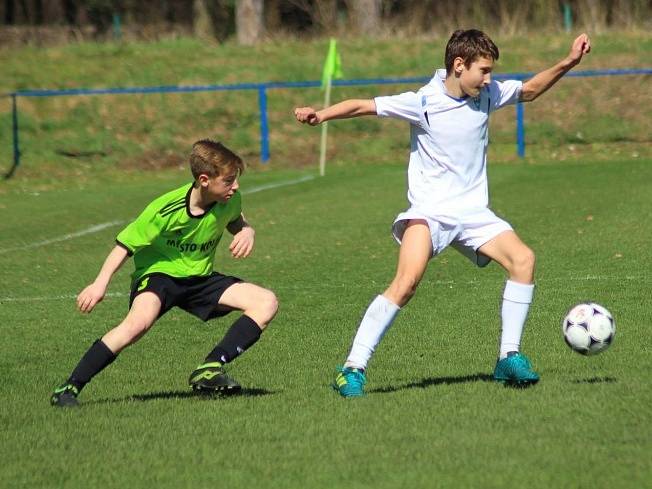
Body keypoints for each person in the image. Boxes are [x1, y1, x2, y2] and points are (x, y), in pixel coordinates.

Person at [295, 29, 591, 397]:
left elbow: (529, 90)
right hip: (430, 212)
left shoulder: (487, 94)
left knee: (523, 260)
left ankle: (508, 358)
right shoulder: (423, 101)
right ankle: (351, 369)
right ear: (458, 65)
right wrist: (320, 115)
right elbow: (364, 105)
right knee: (405, 284)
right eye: (483, 70)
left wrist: (568, 62)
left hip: (473, 212)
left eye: (490, 72)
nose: (489, 79)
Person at [50, 139, 278, 407]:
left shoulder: (229, 198)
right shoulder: (165, 209)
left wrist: (247, 230)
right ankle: (69, 387)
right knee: (137, 325)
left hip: (199, 278)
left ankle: (210, 368)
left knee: (266, 302)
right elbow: (124, 246)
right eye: (229, 180)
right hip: (160, 277)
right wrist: (99, 284)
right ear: (204, 180)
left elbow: (236, 218)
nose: (235, 186)